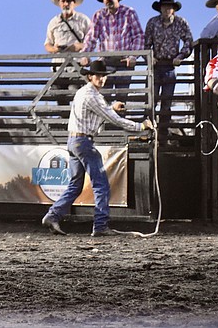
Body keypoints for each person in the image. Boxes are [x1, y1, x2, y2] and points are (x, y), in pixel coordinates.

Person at [41, 60, 155, 237]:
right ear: (90, 77)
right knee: (101, 185)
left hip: (74, 141)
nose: (102, 79)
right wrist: (140, 126)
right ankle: (100, 225)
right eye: (99, 76)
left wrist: (111, 108)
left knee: (75, 185)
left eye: (103, 76)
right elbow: (113, 119)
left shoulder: (83, 93)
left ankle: (52, 215)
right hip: (84, 142)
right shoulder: (92, 96)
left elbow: (99, 114)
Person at [144, 0, 193, 143]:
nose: (166, 9)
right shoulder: (152, 23)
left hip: (170, 65)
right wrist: (150, 57)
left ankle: (163, 136)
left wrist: (180, 56)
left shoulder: (181, 22)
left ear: (173, 9)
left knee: (167, 103)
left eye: (169, 7)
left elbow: (189, 41)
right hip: (155, 65)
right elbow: (146, 44)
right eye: (164, 7)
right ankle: (149, 134)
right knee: (151, 101)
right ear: (160, 8)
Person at [83, 0, 144, 98]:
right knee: (104, 98)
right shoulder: (98, 15)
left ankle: (119, 114)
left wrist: (133, 56)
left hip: (124, 61)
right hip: (105, 62)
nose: (108, 0)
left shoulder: (129, 12)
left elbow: (139, 36)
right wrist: (85, 54)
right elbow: (91, 37)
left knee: (121, 98)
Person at [44, 0, 92, 108]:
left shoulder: (83, 20)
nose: (66, 3)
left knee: (75, 93)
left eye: (69, 1)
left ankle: (75, 123)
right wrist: (55, 49)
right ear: (59, 3)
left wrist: (78, 47)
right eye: (63, 1)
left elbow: (92, 41)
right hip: (58, 66)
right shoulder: (53, 22)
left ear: (74, 3)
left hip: (76, 66)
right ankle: (63, 123)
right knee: (58, 94)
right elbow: (47, 44)